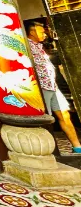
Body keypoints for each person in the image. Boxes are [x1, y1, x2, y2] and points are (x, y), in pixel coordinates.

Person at [27, 22, 81, 153]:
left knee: (64, 115)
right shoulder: (26, 45)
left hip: (52, 86)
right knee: (45, 118)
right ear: (32, 32)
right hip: (40, 87)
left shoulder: (39, 46)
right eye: (41, 31)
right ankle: (47, 150)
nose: (44, 34)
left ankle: (77, 147)